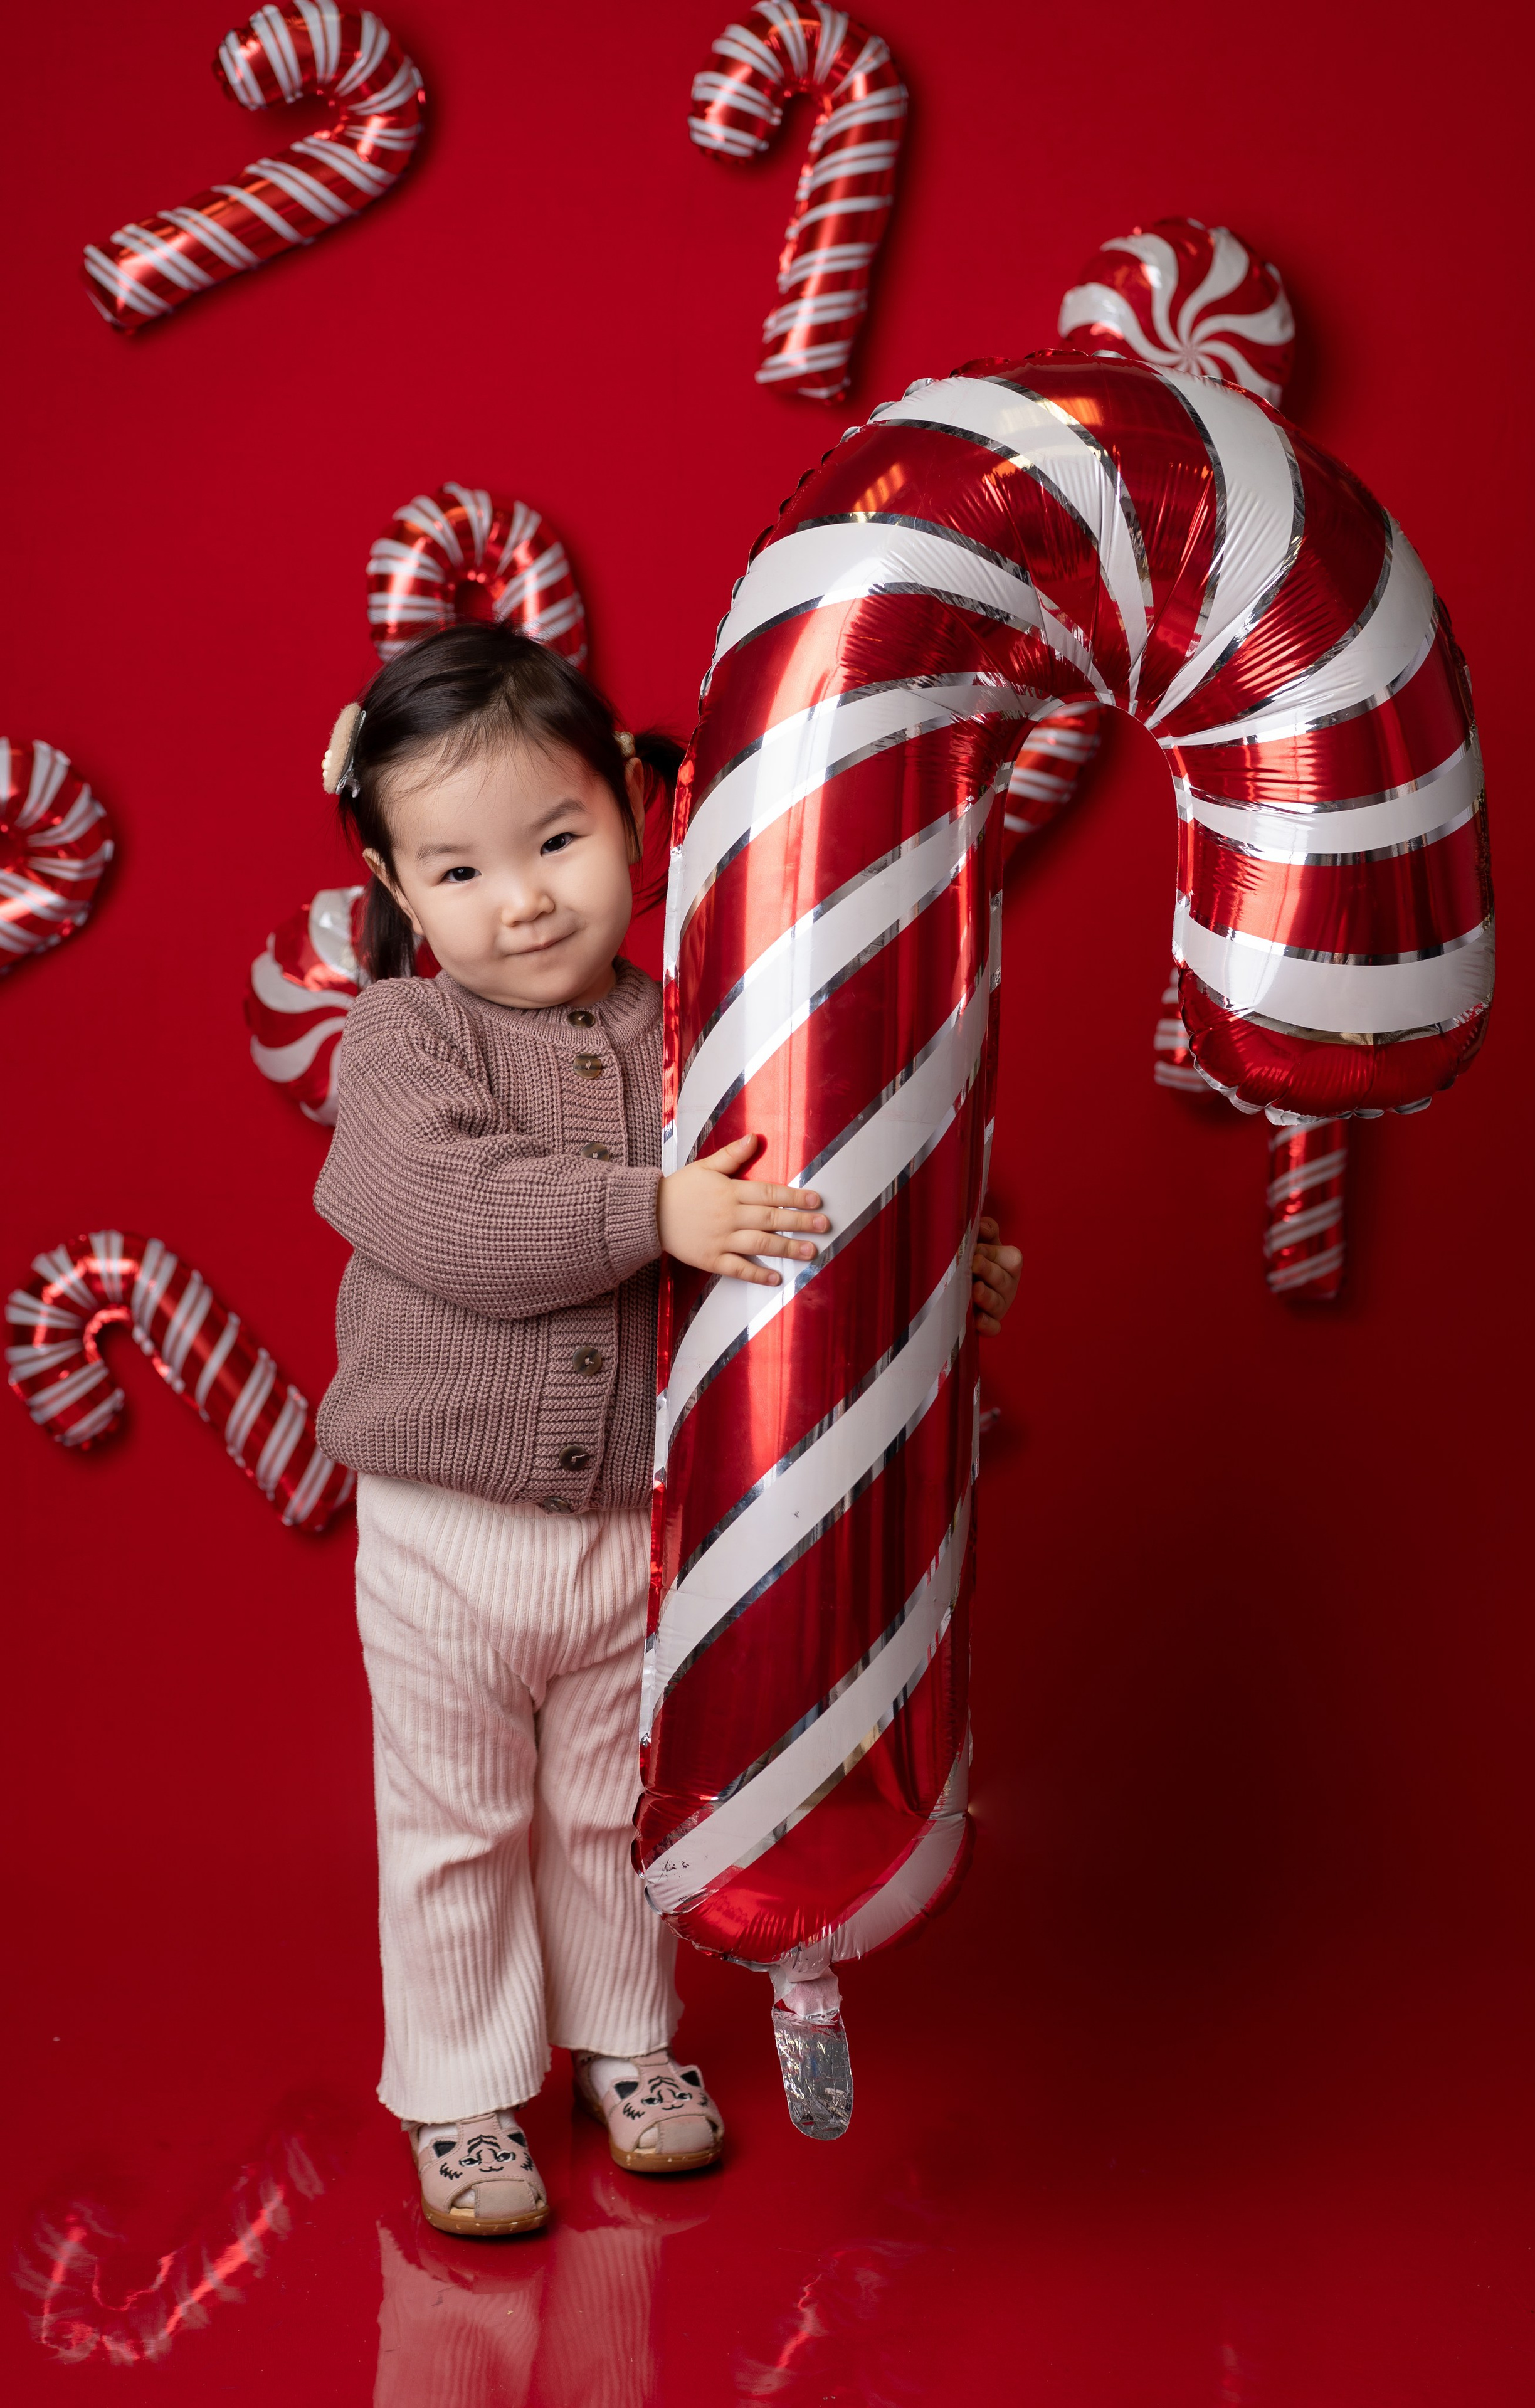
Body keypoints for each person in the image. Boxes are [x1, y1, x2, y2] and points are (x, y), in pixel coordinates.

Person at [314, 622, 1023, 2239]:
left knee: (610, 1806)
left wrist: (926, 1258)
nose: (526, 899)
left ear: (635, 818)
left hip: (643, 1529)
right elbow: (453, 1216)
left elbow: (795, 1191)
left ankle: (629, 2045)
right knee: (451, 1821)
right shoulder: (401, 1046)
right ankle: (462, 2088)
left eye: (559, 840)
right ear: (400, 889)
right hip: (449, 1525)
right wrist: (655, 1211)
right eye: (461, 870)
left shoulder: (704, 1020)